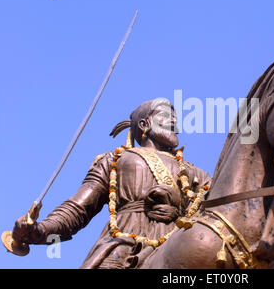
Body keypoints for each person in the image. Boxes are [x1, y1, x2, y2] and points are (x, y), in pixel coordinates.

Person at [11, 98, 212, 268]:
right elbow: (78, 208)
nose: (175, 121)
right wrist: (40, 230)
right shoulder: (115, 160)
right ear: (144, 124)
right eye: (167, 115)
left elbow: (219, 215)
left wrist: (181, 213)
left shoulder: (195, 174)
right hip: (126, 242)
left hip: (178, 242)